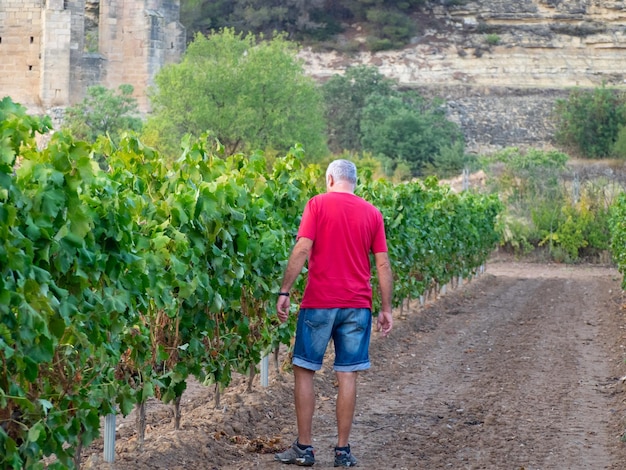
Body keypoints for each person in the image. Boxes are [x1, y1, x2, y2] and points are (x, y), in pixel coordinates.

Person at [274, 159, 393, 467]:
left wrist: (285, 290)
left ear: (329, 179)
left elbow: (302, 249)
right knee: (347, 373)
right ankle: (342, 452)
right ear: (354, 182)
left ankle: (304, 448)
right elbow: (382, 264)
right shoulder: (372, 213)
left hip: (319, 302)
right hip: (358, 306)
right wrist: (386, 308)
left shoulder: (317, 205)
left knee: (304, 370)